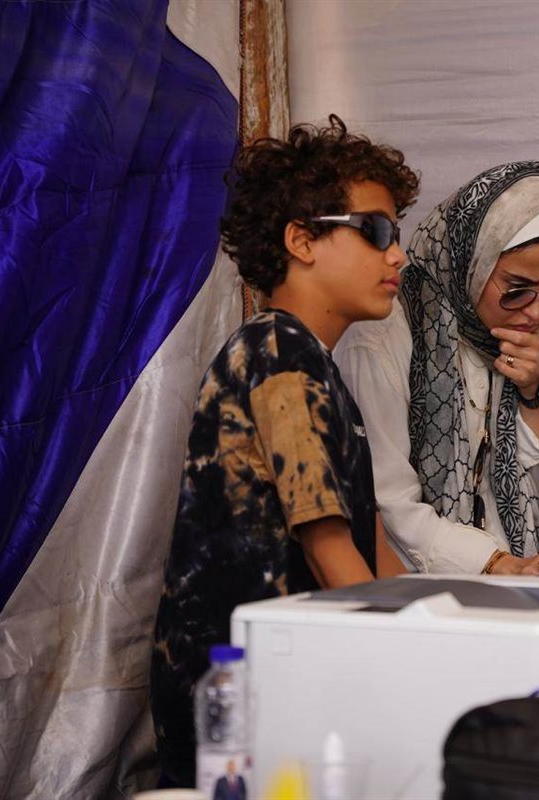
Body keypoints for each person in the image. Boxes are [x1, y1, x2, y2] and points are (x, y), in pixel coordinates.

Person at [150, 116, 418, 786]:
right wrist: (414, 664)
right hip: (241, 709)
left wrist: (433, 619)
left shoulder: (310, 362)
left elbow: (369, 541)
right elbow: (329, 547)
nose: (397, 256)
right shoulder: (279, 353)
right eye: (376, 231)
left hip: (280, 687)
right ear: (301, 241)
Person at [337, 161, 539, 576]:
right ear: (472, 262)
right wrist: (493, 563)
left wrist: (534, 394)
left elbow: (532, 486)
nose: (536, 311)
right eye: (517, 289)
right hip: (411, 585)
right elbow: (386, 501)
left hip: (517, 572)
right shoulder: (384, 330)